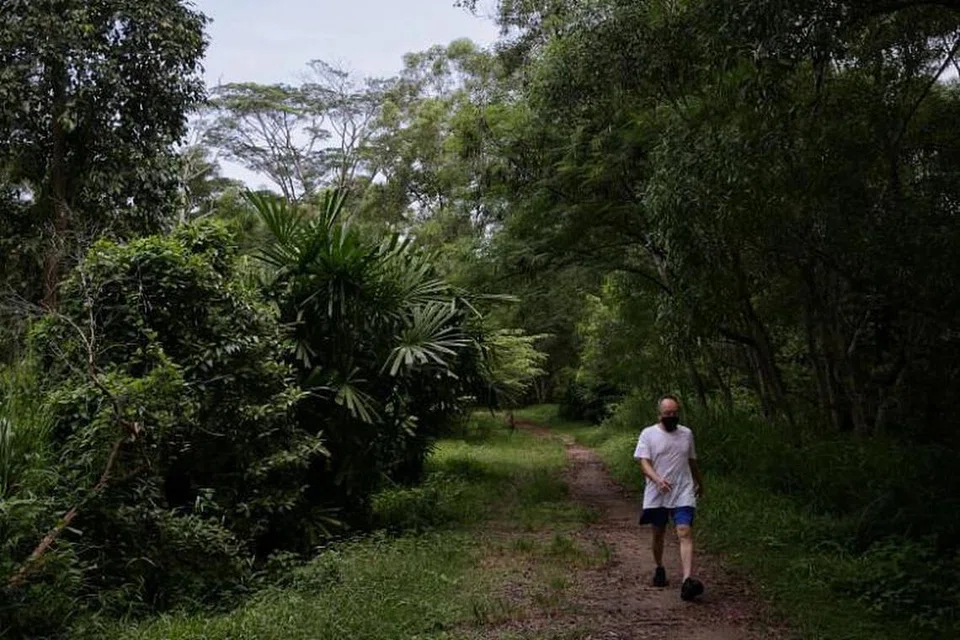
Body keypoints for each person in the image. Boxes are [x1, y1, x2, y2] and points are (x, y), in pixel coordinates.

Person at [634, 394, 705, 601]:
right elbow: (644, 462)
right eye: (667, 413)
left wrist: (700, 482)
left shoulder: (687, 434)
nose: (671, 416)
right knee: (658, 534)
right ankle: (659, 567)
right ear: (659, 414)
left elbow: (691, 461)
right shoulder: (648, 434)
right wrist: (657, 479)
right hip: (658, 493)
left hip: (683, 490)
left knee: (684, 531)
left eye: (675, 413)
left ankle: (687, 580)